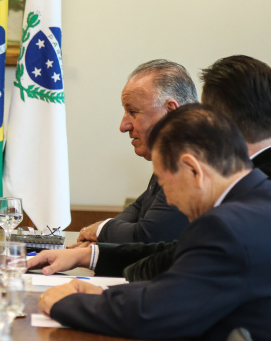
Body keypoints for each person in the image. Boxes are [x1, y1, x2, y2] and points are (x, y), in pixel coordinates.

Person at [37, 105, 271, 341]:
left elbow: (156, 312)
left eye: (167, 186)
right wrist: (106, 293)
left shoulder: (227, 226)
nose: (172, 201)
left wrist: (64, 303)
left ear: (193, 170)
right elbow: (181, 285)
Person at [35, 55, 271, 281]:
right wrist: (91, 254)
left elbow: (170, 260)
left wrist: (81, 297)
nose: (123, 125)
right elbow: (172, 253)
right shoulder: (250, 184)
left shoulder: (252, 194)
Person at [71, 59, 196, 246]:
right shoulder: (174, 154)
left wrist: (99, 231)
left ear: (171, 111)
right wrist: (99, 235)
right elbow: (139, 207)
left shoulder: (190, 159)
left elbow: (148, 235)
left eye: (133, 111)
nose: (123, 126)